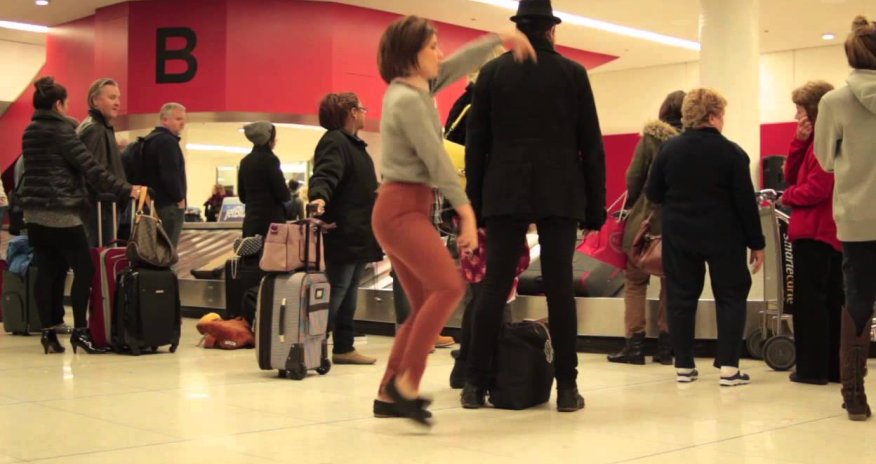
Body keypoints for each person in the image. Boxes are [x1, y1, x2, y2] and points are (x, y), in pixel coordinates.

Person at [371, 15, 535, 426]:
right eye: (432, 47)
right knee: (447, 287)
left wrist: (501, 38)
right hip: (402, 208)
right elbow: (437, 161)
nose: (440, 53)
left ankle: (388, 392)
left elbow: (457, 65)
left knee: (427, 300)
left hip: (402, 207)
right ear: (411, 55)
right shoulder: (409, 100)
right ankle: (406, 383)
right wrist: (466, 213)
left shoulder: (412, 89)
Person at [463, 0, 604, 413]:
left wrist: (475, 201)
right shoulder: (573, 74)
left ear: (519, 31)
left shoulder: (492, 74)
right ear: (551, 31)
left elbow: (477, 146)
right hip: (560, 191)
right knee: (560, 289)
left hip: (504, 191)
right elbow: (591, 146)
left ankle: (474, 384)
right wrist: (595, 206)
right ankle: (566, 389)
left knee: (493, 287)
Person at [645, 88, 765, 386]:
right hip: (724, 236)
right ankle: (729, 368)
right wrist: (756, 243)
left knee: (682, 298)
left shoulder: (668, 150)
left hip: (680, 234)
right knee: (731, 295)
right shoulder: (732, 153)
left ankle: (683, 365)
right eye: (722, 114)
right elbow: (745, 203)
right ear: (713, 116)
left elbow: (653, 193)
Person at [19, 76, 143, 354]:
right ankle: (80, 332)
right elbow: (90, 167)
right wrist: (126, 189)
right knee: (84, 270)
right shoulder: (62, 131)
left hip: (34, 213)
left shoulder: (30, 130)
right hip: (62, 212)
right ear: (59, 104)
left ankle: (49, 334)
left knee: (48, 271)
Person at [813, 15, 876, 421]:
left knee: (857, 300)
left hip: (858, 216)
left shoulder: (833, 101)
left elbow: (822, 158)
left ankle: (854, 395)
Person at [608, 90, 684, 366]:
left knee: (636, 282)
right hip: (678, 223)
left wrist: (634, 199)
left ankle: (634, 346)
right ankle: (666, 347)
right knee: (671, 284)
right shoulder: (692, 141)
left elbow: (634, 176)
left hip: (646, 220)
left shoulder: (652, 138)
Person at [308, 92, 383, 366]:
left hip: (358, 230)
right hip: (345, 231)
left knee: (347, 292)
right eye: (362, 108)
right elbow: (325, 173)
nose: (365, 113)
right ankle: (313, 346)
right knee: (337, 291)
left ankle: (343, 346)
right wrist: (319, 196)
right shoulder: (335, 141)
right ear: (352, 112)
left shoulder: (354, 144)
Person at [778, 81, 842, 386]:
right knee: (830, 302)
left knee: (811, 304)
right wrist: (798, 142)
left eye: (799, 109)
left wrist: (787, 197)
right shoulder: (818, 142)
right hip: (828, 233)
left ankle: (812, 369)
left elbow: (817, 188)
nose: (795, 115)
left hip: (816, 232)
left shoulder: (825, 145)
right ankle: (830, 367)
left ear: (813, 111)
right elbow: (790, 174)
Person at [77, 78, 125, 246]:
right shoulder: (95, 129)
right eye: (112, 98)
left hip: (102, 208)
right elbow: (95, 173)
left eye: (118, 98)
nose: (117, 103)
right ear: (95, 101)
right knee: (101, 259)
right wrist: (125, 189)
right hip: (99, 210)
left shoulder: (100, 127)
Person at [139, 102, 188, 247]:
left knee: (154, 248)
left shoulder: (150, 139)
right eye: (178, 119)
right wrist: (179, 198)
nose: (182, 123)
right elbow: (170, 174)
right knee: (167, 249)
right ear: (165, 120)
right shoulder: (167, 142)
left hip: (153, 204)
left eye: (183, 120)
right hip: (168, 206)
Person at [237, 121, 290, 238]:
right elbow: (282, 194)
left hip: (251, 222)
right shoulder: (271, 160)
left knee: (251, 255)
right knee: (272, 256)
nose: (275, 140)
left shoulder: (245, 161)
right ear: (268, 139)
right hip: (272, 225)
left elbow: (242, 196)